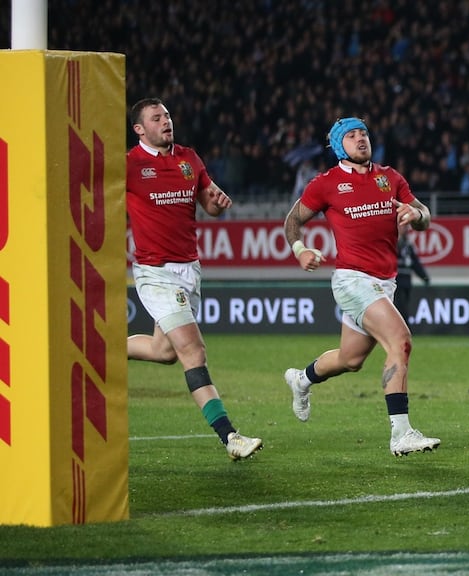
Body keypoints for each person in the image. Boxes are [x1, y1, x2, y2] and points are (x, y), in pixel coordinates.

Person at [282, 117, 440, 457]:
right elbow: (293, 220)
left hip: (385, 282)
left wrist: (417, 216)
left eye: (364, 133)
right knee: (400, 341)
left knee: (350, 359)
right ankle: (401, 433)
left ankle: (302, 379)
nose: (360, 139)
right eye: (352, 136)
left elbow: (424, 213)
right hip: (353, 279)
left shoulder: (390, 177)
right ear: (340, 146)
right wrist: (300, 249)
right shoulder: (326, 184)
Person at [125, 97, 263, 461]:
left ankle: (102, 349)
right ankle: (229, 436)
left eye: (167, 115)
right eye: (156, 118)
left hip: (189, 269)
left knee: (165, 351)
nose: (166, 122)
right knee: (193, 350)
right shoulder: (128, 165)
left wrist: (218, 200)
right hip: (155, 271)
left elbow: (210, 205)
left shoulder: (189, 158)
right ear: (140, 129)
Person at [394, 224, 430, 323]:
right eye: (402, 227)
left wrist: (424, 276)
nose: (405, 229)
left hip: (406, 280)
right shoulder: (393, 243)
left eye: (406, 227)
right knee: (399, 308)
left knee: (404, 306)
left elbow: (415, 263)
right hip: (396, 280)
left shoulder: (408, 244)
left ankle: (404, 328)